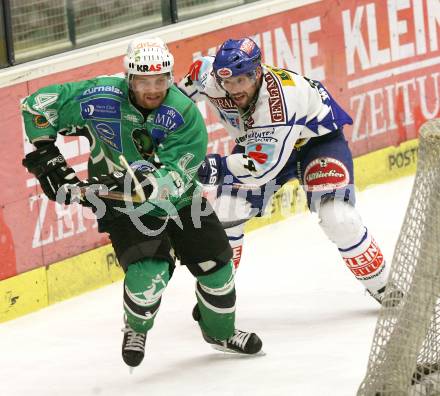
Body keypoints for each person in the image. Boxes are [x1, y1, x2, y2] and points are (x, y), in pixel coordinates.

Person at [21, 36, 263, 368]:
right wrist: (47, 154)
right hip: (124, 207)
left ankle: (220, 332)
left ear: (170, 77)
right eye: (143, 81)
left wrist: (141, 185)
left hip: (180, 201)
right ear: (129, 79)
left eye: (160, 80)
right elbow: (36, 104)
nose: (152, 88)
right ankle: (137, 328)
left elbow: (179, 174)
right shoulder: (101, 95)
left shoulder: (183, 114)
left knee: (217, 268)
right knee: (148, 275)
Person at [178, 37, 399, 306]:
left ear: (257, 72)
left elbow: (259, 169)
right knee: (226, 210)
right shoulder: (206, 75)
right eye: (228, 82)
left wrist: (207, 168)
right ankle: (218, 299)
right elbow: (173, 101)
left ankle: (385, 287)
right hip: (260, 147)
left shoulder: (281, 99)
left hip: (315, 144)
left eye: (242, 80)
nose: (235, 89)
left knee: (339, 218)